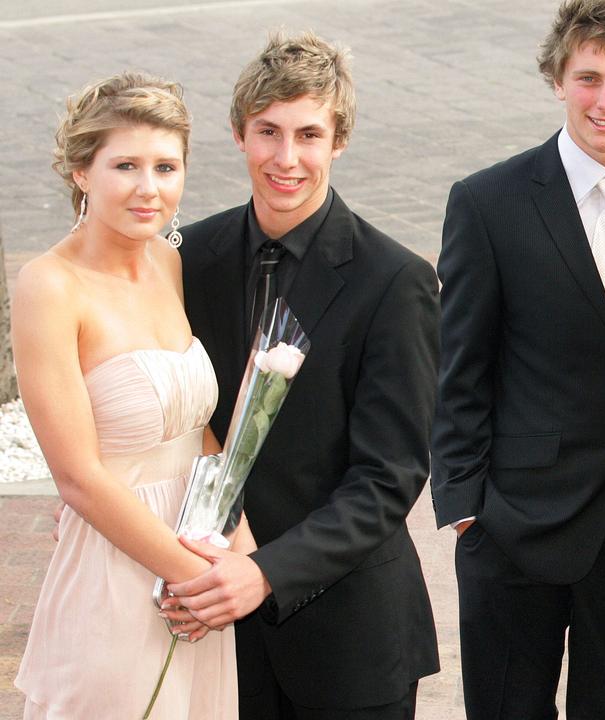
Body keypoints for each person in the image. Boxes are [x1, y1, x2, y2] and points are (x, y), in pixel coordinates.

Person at [165, 31, 441, 718]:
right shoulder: (186, 257)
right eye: (268, 132)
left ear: (338, 141)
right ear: (239, 134)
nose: (287, 159)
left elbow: (388, 479)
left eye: (309, 135)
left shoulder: (395, 280)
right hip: (212, 635)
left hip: (348, 638)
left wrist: (265, 572)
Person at [429, 1, 605, 717]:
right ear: (557, 79)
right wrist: (465, 507)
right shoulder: (488, 201)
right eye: (589, 78)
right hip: (514, 522)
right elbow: (460, 365)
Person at [13, 72, 238, 718]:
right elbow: (78, 476)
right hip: (117, 575)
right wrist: (196, 579)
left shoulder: (167, 261)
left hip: (196, 566)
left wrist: (237, 553)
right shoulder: (49, 286)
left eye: (167, 167)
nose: (150, 189)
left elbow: (196, 427)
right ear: (81, 172)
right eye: (126, 166)